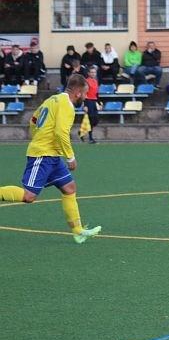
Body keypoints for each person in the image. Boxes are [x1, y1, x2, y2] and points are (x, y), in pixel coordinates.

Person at [0, 74, 101, 243]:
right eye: (85, 93)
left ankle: (78, 231)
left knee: (69, 188)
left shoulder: (53, 99)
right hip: (43, 155)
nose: (85, 97)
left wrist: (38, 136)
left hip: (52, 155)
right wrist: (70, 157)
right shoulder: (67, 105)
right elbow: (61, 133)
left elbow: (33, 119)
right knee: (29, 196)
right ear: (77, 92)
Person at [82, 66, 100, 144]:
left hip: (94, 101)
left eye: (94, 72)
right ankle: (90, 138)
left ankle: (82, 132)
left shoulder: (95, 81)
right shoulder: (86, 81)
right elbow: (84, 93)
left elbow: (96, 93)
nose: (93, 74)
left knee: (95, 120)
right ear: (89, 73)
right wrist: (85, 105)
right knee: (91, 119)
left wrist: (99, 102)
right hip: (88, 101)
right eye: (91, 72)